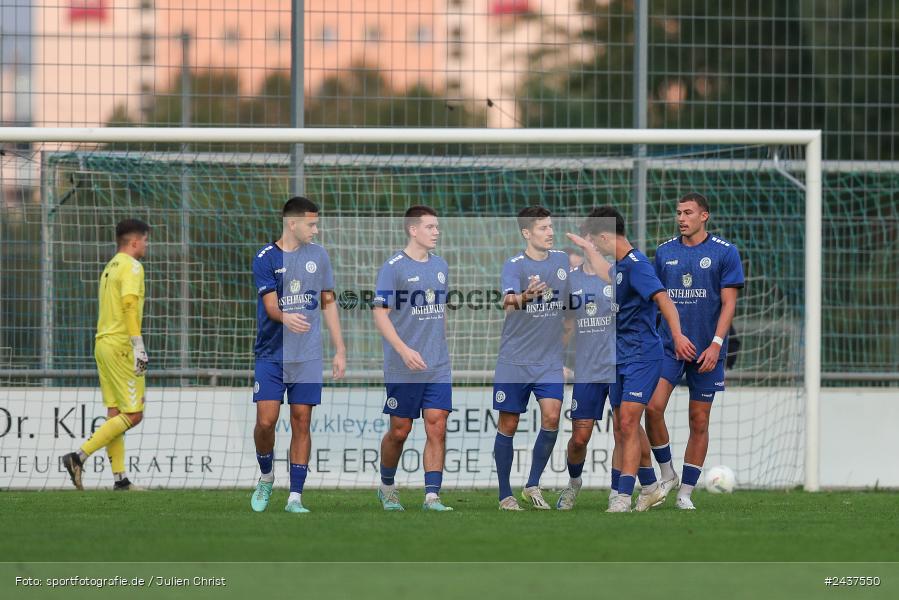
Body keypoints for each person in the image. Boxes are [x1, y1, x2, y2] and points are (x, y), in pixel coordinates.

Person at [567, 206, 694, 512]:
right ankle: (649, 485)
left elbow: (664, 299)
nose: (597, 248)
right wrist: (586, 248)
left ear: (606, 236)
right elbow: (604, 272)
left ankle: (623, 494)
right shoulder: (621, 266)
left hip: (641, 355)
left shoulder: (637, 265)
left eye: (597, 243)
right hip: (618, 356)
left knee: (627, 421)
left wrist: (677, 336)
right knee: (625, 427)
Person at [646, 193, 744, 510]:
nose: (681, 218)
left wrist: (716, 345)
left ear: (704, 216)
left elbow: (729, 303)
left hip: (707, 352)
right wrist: (670, 335)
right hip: (669, 346)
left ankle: (685, 493)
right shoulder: (664, 252)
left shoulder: (725, 253)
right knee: (651, 407)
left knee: (698, 421)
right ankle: (667, 473)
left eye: (688, 212)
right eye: (678, 212)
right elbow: (657, 301)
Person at [250, 196, 346, 514]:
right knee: (266, 422)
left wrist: (339, 348)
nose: (316, 230)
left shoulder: (318, 256)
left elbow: (328, 301)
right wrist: (285, 316)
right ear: (293, 224)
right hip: (271, 354)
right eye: (312, 224)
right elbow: (270, 306)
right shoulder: (265, 258)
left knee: (301, 421)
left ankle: (295, 496)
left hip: (307, 355)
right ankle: (266, 476)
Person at [373, 205, 454, 512]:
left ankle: (432, 496)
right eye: (431, 227)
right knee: (400, 430)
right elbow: (380, 314)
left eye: (437, 227)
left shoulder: (441, 266)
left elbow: (440, 310)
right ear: (413, 230)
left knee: (437, 425)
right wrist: (404, 350)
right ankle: (387, 486)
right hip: (402, 365)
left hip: (436, 365)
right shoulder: (393, 267)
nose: (436, 232)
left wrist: (439, 345)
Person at [62, 219, 151, 491]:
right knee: (133, 415)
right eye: (146, 240)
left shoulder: (110, 267)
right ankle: (78, 456)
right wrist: (138, 345)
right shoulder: (133, 267)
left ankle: (120, 479)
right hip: (121, 346)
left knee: (115, 414)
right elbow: (128, 304)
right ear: (135, 242)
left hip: (102, 343)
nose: (147, 245)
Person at [493, 206, 570, 511]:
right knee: (508, 423)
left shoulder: (562, 260)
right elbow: (507, 301)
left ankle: (532, 484)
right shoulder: (514, 265)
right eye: (543, 228)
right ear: (527, 233)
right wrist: (525, 297)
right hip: (515, 360)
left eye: (551, 227)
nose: (550, 232)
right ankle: (504, 495)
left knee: (552, 416)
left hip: (549, 360)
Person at [556, 220, 616, 510]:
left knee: (627, 431)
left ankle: (622, 491)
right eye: (587, 239)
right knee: (579, 438)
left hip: (620, 368)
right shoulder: (572, 280)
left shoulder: (616, 275)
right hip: (588, 370)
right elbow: (567, 324)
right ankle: (573, 482)